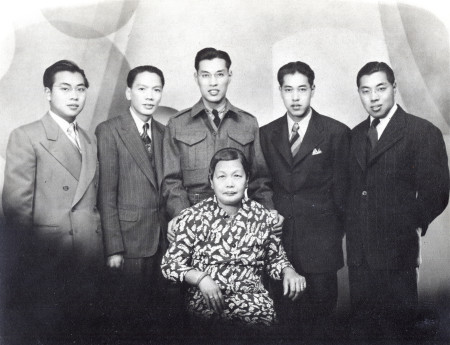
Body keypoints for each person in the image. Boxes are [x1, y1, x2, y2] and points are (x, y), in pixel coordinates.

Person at [346, 61, 449, 339]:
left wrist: (408, 225)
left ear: (394, 87)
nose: (374, 97)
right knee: (364, 332)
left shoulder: (421, 131)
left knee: (398, 332)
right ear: (359, 93)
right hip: (359, 257)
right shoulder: (354, 136)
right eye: (365, 91)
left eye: (381, 88)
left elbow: (437, 191)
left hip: (398, 252)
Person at [2, 60, 103, 337]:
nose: (74, 96)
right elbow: (16, 212)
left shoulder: (89, 139)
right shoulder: (27, 136)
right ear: (48, 93)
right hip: (49, 259)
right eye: (65, 88)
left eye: (80, 89)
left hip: (89, 254)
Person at [161, 147, 305, 339]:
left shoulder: (262, 216)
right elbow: (169, 265)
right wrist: (200, 278)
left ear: (247, 180)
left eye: (237, 176)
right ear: (211, 181)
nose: (229, 184)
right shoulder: (193, 217)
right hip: (207, 303)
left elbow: (277, 259)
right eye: (221, 177)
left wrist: (289, 271)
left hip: (254, 305)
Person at [260, 61, 350, 338]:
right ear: (281, 91)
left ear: (313, 89)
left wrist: (332, 233)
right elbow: (261, 182)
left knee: (320, 325)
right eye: (289, 90)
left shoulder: (336, 132)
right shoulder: (266, 133)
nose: (295, 97)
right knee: (283, 323)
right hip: (279, 244)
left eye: (302, 89)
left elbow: (344, 191)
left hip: (321, 247)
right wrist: (270, 214)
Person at [162, 47, 283, 241]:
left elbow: (260, 179)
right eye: (205, 75)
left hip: (240, 224)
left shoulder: (247, 122)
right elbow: (171, 181)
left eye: (219, 74)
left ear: (229, 76)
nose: (213, 82)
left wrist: (269, 210)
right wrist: (184, 218)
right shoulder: (177, 124)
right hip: (193, 222)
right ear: (196, 77)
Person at [95, 65, 169, 333]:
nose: (150, 96)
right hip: (128, 242)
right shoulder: (109, 131)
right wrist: (113, 248)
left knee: (159, 320)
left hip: (162, 243)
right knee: (128, 320)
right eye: (142, 89)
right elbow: (106, 194)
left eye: (156, 90)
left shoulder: (164, 132)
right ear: (128, 93)